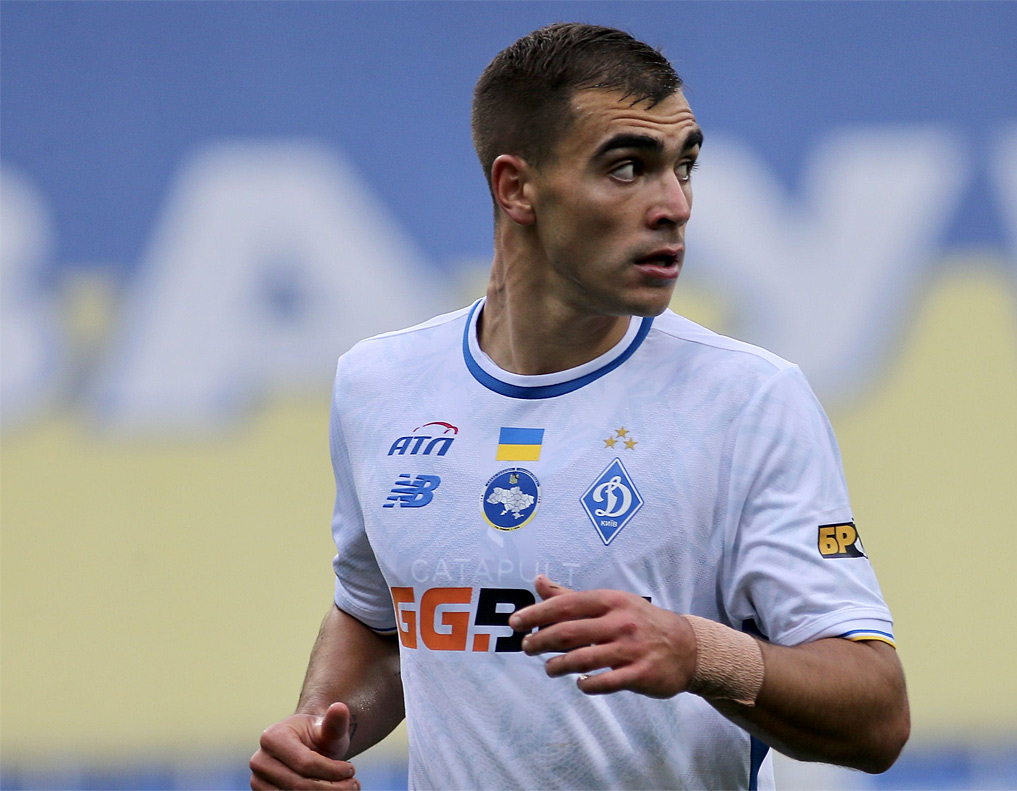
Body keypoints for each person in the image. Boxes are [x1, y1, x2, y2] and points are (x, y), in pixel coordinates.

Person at [250, 22, 909, 791]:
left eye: (684, 165)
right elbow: (381, 621)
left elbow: (877, 714)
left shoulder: (748, 399)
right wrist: (319, 728)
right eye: (628, 168)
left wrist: (699, 652)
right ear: (516, 187)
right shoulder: (379, 382)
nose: (675, 205)